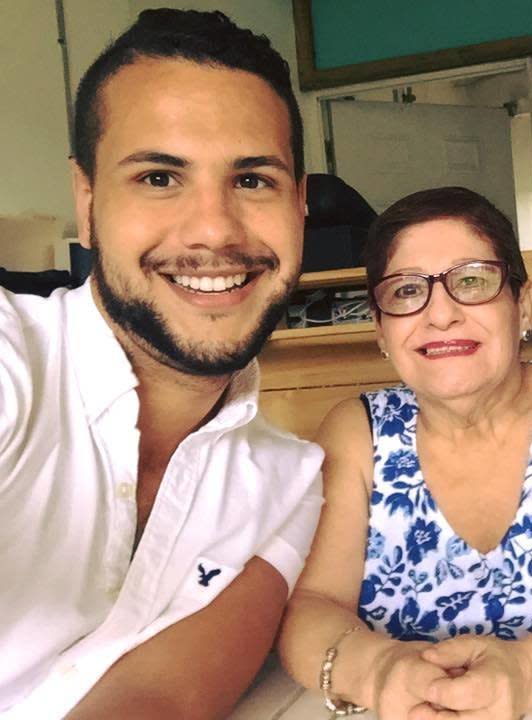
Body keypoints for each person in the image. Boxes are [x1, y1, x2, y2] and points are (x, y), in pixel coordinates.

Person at [0, 10, 324, 718]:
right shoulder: (13, 361)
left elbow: (161, 699)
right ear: (87, 202)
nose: (213, 228)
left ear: (300, 205)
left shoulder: (289, 482)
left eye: (253, 180)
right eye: (158, 177)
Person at [277, 187, 532, 719]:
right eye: (407, 291)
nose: (441, 314)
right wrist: (381, 672)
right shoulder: (356, 431)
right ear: (381, 329)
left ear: (521, 306)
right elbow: (310, 610)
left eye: (471, 281)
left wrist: (526, 672)